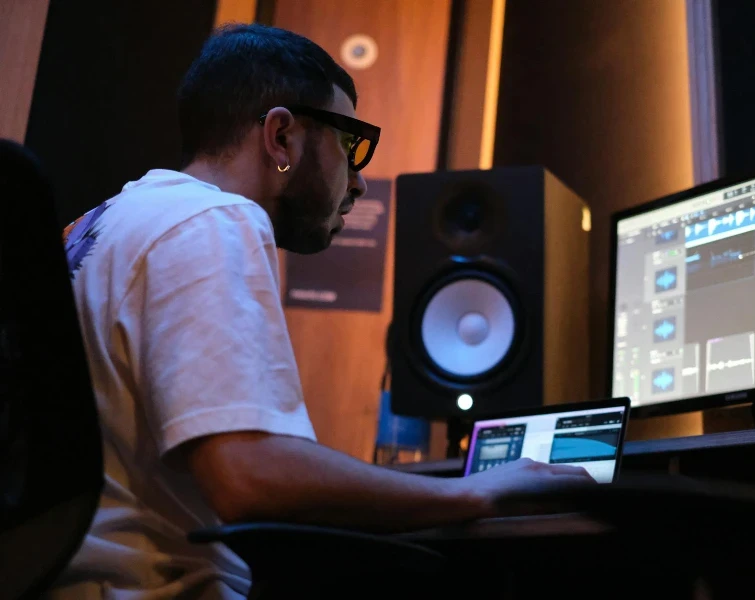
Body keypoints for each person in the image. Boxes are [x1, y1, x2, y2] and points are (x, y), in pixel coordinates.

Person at [50, 23, 594, 599]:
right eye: (350, 144)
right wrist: (475, 490)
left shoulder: (102, 223)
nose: (358, 183)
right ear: (281, 137)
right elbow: (249, 477)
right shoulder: (212, 220)